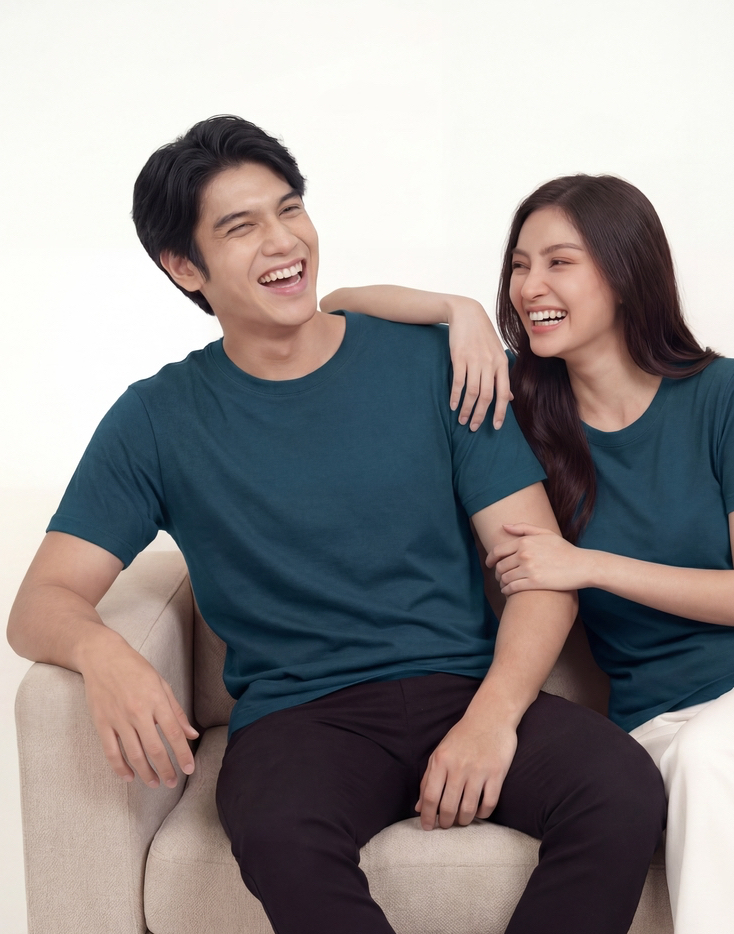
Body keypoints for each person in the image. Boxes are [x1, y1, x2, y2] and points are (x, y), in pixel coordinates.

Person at [6, 126, 666, 934]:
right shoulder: (156, 419)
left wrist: (492, 719)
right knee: (279, 834)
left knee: (623, 789)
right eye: (241, 227)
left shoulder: (440, 365)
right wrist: (103, 653)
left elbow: (539, 571)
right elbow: (39, 602)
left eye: (290, 210)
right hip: (300, 719)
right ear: (184, 267)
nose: (283, 242)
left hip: (462, 686)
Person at [322, 173, 734, 934]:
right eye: (519, 265)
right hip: (660, 724)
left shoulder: (725, 393)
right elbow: (339, 306)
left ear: (625, 274)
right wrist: (457, 310)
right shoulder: (516, 411)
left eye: (560, 262)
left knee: (719, 760)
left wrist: (587, 564)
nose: (530, 286)